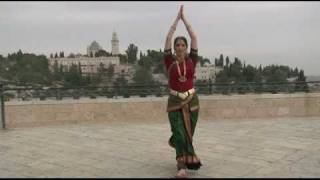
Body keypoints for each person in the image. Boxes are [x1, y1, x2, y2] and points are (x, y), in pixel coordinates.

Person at [163, 5, 202, 178]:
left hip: (192, 102)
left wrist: (184, 20)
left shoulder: (192, 60)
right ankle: (181, 166)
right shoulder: (169, 61)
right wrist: (175, 21)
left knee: (188, 133)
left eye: (182, 45)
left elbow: (194, 36)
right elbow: (167, 37)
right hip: (174, 102)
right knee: (179, 133)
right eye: (177, 45)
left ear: (186, 48)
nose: (179, 47)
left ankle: (185, 158)